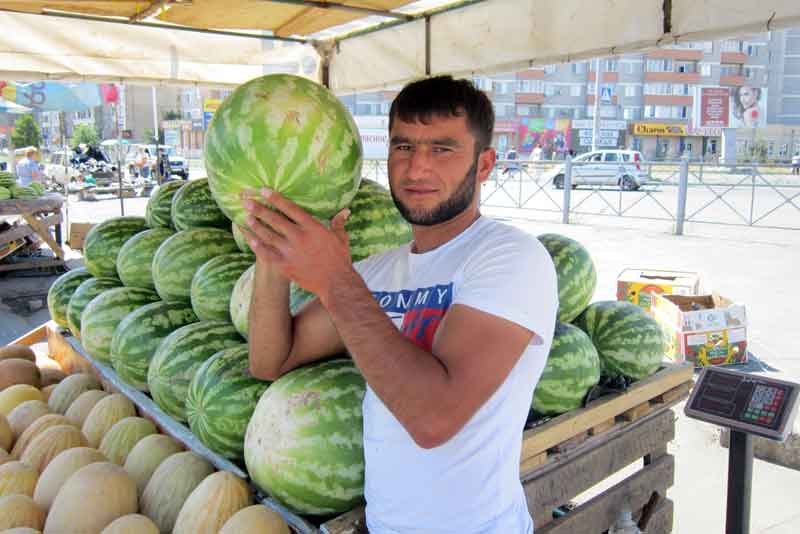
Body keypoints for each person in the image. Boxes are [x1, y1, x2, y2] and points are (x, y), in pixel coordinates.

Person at [243, 75, 558, 533]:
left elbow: (433, 418)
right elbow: (272, 359)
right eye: (403, 147)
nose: (416, 169)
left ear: (485, 164)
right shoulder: (374, 273)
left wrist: (333, 278)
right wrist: (272, 251)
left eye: (442, 150)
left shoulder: (512, 259)